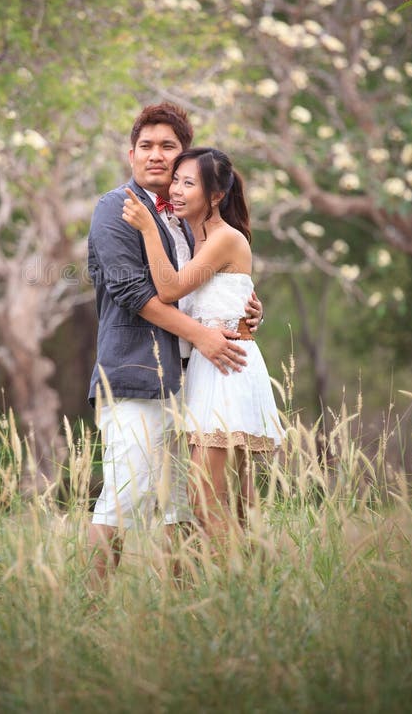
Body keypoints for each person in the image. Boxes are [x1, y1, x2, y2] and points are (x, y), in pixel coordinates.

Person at [87, 104, 263, 582]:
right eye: (147, 146)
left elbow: (204, 283)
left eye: (168, 147)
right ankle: (86, 607)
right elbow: (134, 293)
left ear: (184, 156)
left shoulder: (190, 214)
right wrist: (203, 335)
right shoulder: (115, 207)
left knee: (181, 505)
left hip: (196, 379)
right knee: (124, 496)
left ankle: (185, 611)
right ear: (131, 154)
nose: (156, 156)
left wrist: (244, 308)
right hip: (138, 372)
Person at [122, 146, 282, 548]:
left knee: (207, 502)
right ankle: (249, 591)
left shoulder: (225, 238)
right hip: (209, 370)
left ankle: (243, 592)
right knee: (231, 504)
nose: (176, 189)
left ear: (215, 196)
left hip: (226, 372)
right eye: (176, 180)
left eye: (187, 183)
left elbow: (171, 288)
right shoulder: (194, 240)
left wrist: (145, 229)